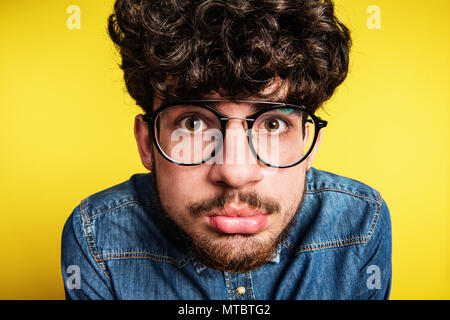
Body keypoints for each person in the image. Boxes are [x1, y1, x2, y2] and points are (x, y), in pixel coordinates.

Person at [61, 0, 392, 300]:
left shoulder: (361, 225)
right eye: (193, 124)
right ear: (147, 142)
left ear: (308, 144)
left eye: (274, 125)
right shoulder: (97, 239)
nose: (235, 173)